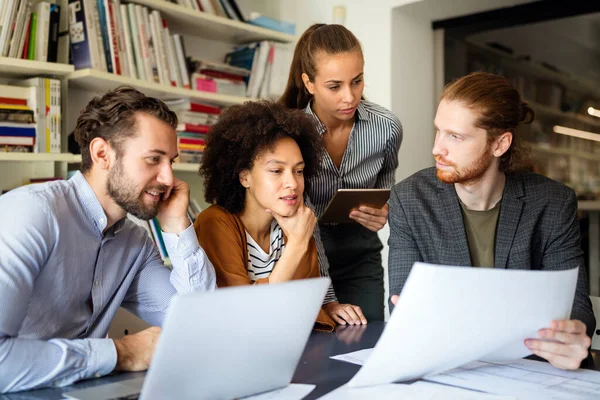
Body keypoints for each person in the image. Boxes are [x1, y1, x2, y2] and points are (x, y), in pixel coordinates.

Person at [0, 87, 216, 393]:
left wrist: (177, 225)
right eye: (154, 159)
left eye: (171, 161)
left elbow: (199, 326)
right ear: (102, 153)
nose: (169, 178)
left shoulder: (135, 244)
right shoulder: (32, 214)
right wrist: (122, 353)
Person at [388, 72, 595, 370]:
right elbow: (401, 305)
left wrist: (572, 334)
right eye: (439, 131)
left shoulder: (552, 203)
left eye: (455, 136)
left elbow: (576, 307)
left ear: (500, 145)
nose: (437, 148)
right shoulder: (409, 200)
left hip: (530, 370)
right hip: (449, 368)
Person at [194, 100, 366, 329]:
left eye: (299, 171)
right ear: (244, 177)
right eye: (276, 171)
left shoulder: (298, 219)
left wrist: (328, 307)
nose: (292, 183)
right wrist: (296, 245)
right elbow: (245, 314)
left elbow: (306, 304)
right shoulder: (215, 223)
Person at [279, 24, 403, 321]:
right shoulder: (288, 133)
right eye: (334, 86)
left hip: (362, 252)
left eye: (357, 82)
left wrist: (385, 211)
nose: (349, 97)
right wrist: (329, 299)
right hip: (302, 251)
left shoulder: (387, 127)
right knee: (316, 351)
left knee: (368, 337)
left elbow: (386, 190)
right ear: (308, 83)